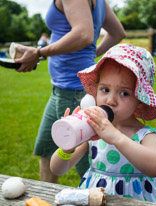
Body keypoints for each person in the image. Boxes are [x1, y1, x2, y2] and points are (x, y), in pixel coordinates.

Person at [14, 0, 126, 183]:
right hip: (61, 90)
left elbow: (83, 34)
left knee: (89, 167)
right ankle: (44, 201)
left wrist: (39, 52)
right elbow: (118, 33)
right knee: (48, 151)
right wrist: (90, 54)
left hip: (75, 92)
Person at [50, 44, 156, 205]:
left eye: (124, 93)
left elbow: (155, 167)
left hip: (137, 200)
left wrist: (116, 137)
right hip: (97, 198)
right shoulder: (92, 131)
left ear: (140, 102)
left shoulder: (145, 135)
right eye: (105, 90)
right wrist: (67, 146)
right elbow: (58, 169)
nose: (110, 100)